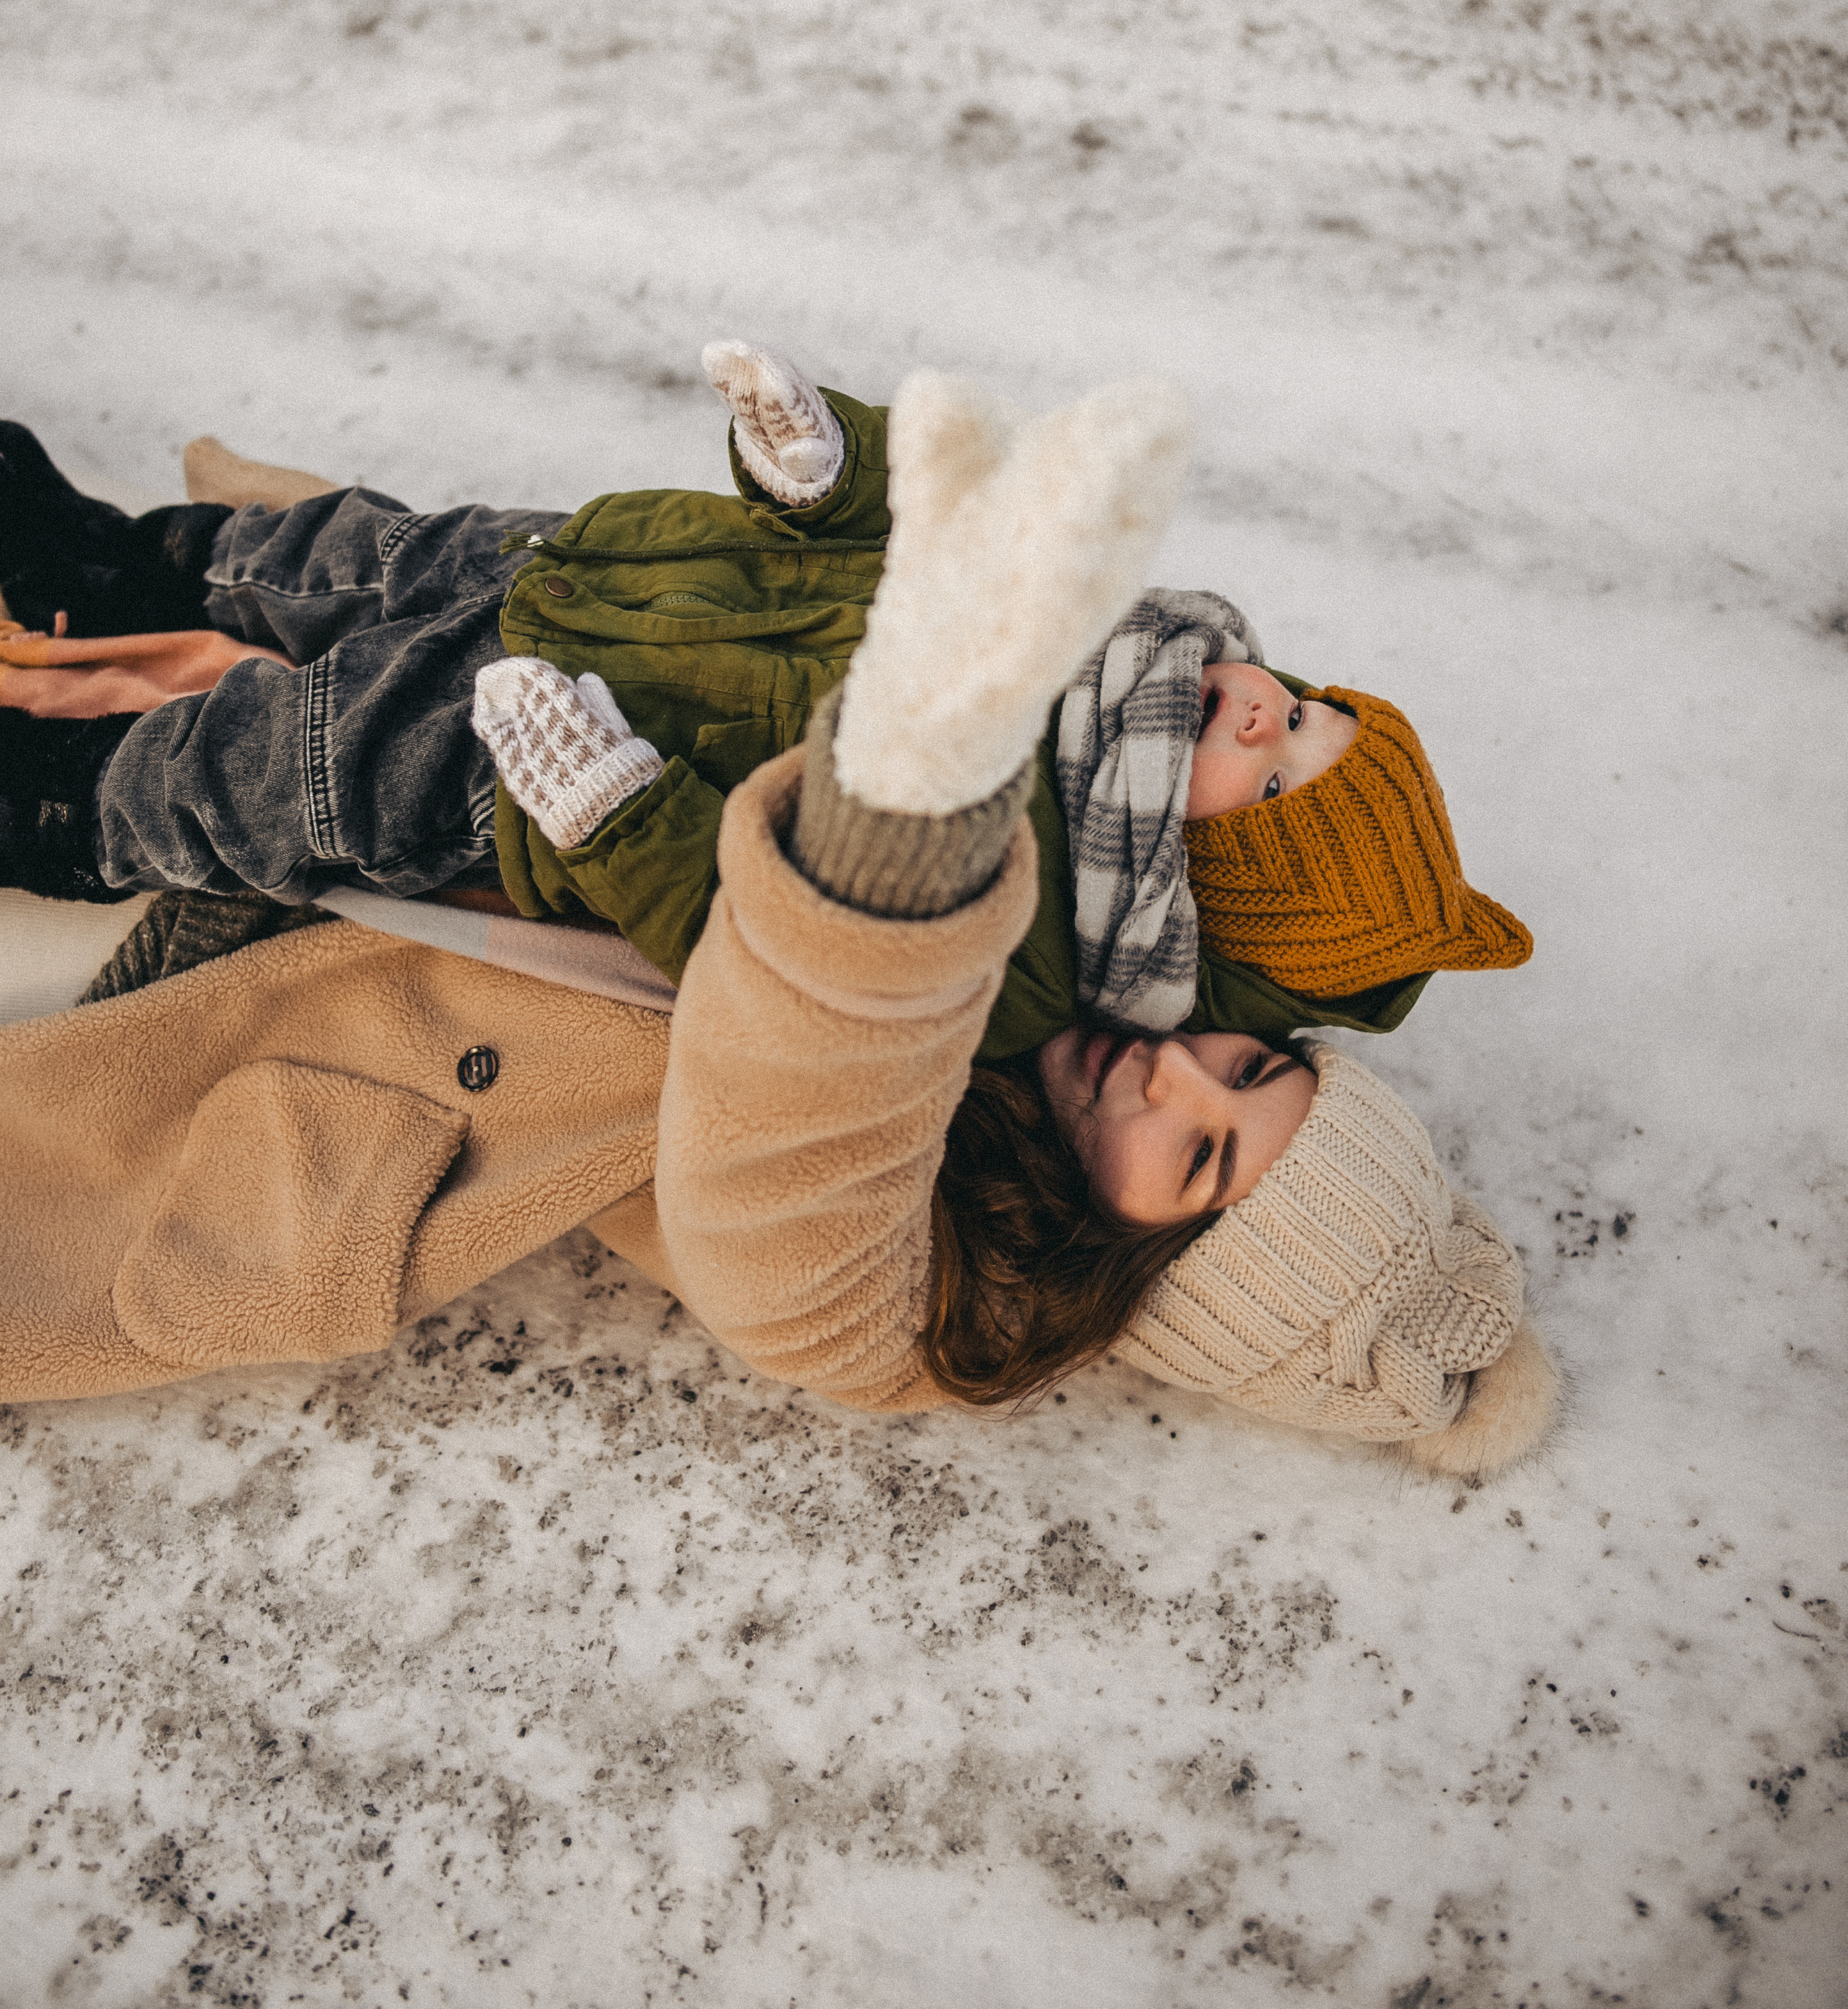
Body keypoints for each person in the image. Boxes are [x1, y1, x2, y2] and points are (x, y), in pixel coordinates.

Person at [0, 370, 1556, 1475]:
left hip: (411, 923)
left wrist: (891, 816)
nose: (1172, 1077)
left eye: (1201, 1154)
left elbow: (809, 1085)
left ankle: (59, 759)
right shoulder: (1120, 967)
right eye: (1245, 1065)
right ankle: (103, 580)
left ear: (1148, 1278)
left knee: (238, 758)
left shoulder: (920, 1318)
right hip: (564, 724)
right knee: (373, 582)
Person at [0, 348, 1529, 1074]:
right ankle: (116, 564)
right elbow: (935, 514)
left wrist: (613, 810)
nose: (1269, 719)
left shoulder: (1020, 934)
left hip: (544, 753)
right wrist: (824, 464)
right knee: (345, 551)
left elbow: (774, 947)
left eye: (1276, 790)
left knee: (301, 769)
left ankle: (70, 805)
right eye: (1312, 709)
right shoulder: (1073, 613)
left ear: (1215, 886)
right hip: (597, 564)